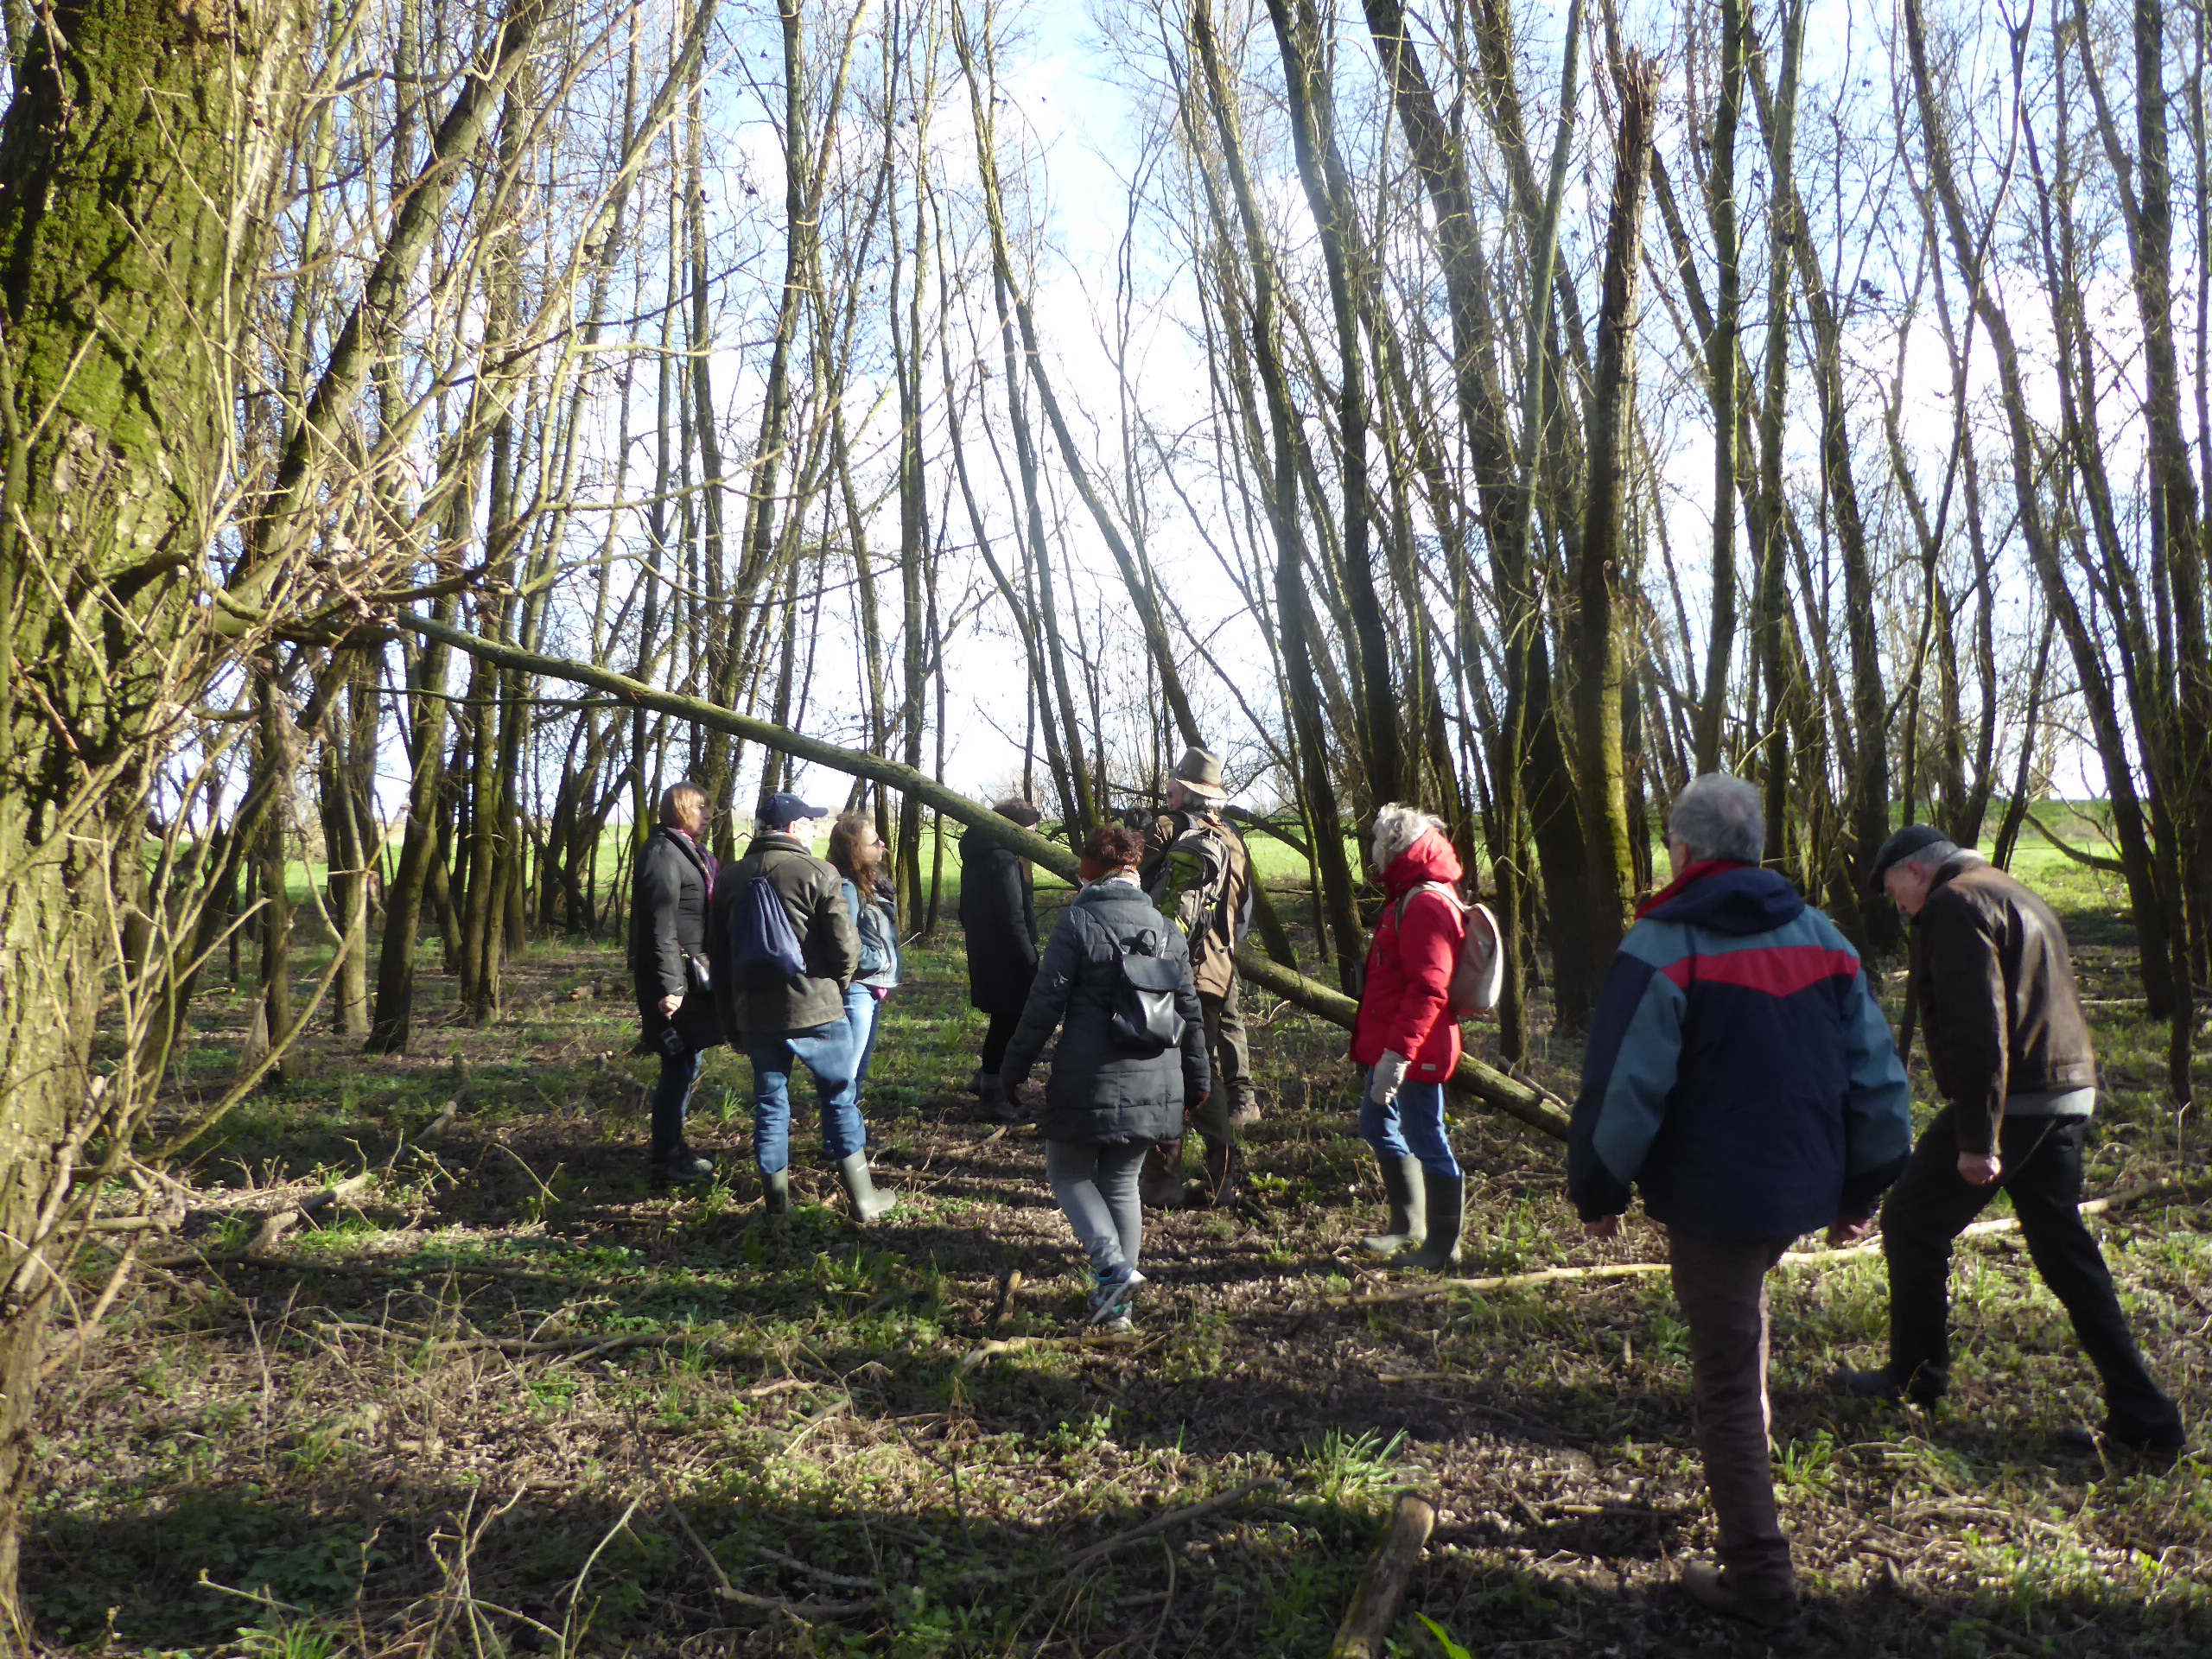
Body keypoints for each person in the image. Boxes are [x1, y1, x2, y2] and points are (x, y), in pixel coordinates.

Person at [1569, 773, 1914, 1629]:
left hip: (1715, 1199)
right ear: (1756, 848)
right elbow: (1877, 1082)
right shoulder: (1825, 939)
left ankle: (1759, 1576)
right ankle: (1743, 1498)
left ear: (1681, 852)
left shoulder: (1661, 945)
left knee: (1723, 1379)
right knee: (1743, 1338)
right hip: (1792, 1191)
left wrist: (1598, 1187)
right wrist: (1863, 1185)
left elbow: (1623, 1090)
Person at [1836, 826, 2185, 1452]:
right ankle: (2146, 1418)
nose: (1900, 907)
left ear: (1916, 872)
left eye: (1895, 894)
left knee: (1912, 1219)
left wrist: (1977, 1137)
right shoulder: (2009, 889)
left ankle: (1915, 1380)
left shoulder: (1956, 904)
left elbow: (1979, 1023)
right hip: (2064, 1089)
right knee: (2063, 1251)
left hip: (2017, 1098)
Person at [1001, 823, 1210, 1331]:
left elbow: (1043, 1004)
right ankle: (1119, 1312)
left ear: (1091, 869)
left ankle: (1114, 1269)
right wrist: (1199, 1079)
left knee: (1068, 1173)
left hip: (1088, 1077)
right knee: (1121, 1183)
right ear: (1135, 870)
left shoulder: (1077, 922)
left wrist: (1011, 1070)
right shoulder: (1167, 928)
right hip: (1155, 1079)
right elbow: (1191, 1009)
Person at [709, 791, 893, 1223]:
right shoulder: (819, 872)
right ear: (793, 829)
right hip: (817, 1010)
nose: (814, 829)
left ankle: (776, 1210)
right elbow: (845, 947)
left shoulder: (731, 878)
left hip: (754, 1013)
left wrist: (731, 1023)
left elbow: (719, 959)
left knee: (770, 1103)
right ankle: (864, 1200)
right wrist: (836, 986)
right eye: (809, 823)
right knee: (839, 1096)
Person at [1350, 804, 1473, 1268]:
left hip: (1415, 1048)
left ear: (1393, 846)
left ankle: (1442, 1246)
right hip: (1398, 1044)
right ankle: (1408, 1225)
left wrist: (1398, 1055)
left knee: (1426, 1136)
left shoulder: (1423, 903)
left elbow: (1429, 987)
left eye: (1378, 845)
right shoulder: (1410, 895)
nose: (1374, 855)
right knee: (1376, 1124)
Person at [1137, 747, 1259, 1208]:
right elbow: (1241, 913)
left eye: (1172, 783)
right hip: (1218, 971)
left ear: (1184, 789)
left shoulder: (1167, 829)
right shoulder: (1232, 838)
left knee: (1167, 1072)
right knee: (1201, 1069)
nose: (1166, 790)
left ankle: (1162, 1181)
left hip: (1168, 966)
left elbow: (1129, 884)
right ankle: (1220, 1177)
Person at [629, 782, 726, 1185]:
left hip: (691, 976)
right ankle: (665, 1156)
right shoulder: (663, 852)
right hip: (673, 980)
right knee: (679, 1063)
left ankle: (673, 1145)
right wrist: (671, 987)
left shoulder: (689, 851)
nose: (708, 815)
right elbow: (658, 926)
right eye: (701, 808)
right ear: (682, 809)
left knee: (687, 1062)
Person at [958, 797, 1042, 1121]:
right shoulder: (1005, 860)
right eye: (1030, 830)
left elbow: (966, 912)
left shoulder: (979, 855)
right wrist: (1029, 961)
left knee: (1003, 1020)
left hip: (985, 951)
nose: (1034, 837)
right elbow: (1013, 919)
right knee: (1009, 1021)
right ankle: (993, 1092)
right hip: (1007, 956)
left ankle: (989, 1079)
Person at [828, 810, 902, 1109]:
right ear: (855, 849)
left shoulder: (874, 883)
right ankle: (841, 1143)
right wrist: (878, 962)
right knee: (848, 1071)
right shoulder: (846, 887)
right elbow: (843, 941)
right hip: (856, 988)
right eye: (874, 842)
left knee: (859, 1070)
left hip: (871, 987)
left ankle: (848, 1136)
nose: (882, 845)